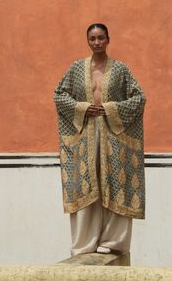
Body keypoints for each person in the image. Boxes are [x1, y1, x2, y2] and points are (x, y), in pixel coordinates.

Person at [53, 22, 145, 256]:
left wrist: (111, 109)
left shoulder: (121, 70)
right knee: (85, 183)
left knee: (115, 183)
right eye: (92, 38)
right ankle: (84, 243)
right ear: (88, 41)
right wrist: (82, 108)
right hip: (85, 137)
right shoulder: (76, 69)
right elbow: (59, 95)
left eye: (101, 38)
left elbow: (139, 98)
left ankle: (113, 241)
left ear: (108, 39)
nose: (96, 42)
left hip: (113, 137)